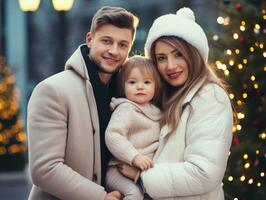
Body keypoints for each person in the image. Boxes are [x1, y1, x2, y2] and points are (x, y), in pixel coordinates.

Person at [118, 7, 235, 200]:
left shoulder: (209, 96)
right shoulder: (166, 96)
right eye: (161, 58)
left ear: (193, 54)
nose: (170, 66)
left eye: (178, 54)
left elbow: (203, 173)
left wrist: (142, 176)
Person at [27, 6, 139, 200]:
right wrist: (100, 197)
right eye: (106, 41)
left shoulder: (127, 93)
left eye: (122, 45)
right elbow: (45, 169)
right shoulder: (52, 90)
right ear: (89, 39)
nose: (114, 51)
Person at [104, 55, 162, 199]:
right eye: (132, 82)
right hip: (118, 169)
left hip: (141, 172)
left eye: (147, 82)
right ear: (123, 86)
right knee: (134, 194)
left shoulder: (158, 113)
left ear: (156, 86)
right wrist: (134, 157)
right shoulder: (126, 109)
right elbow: (113, 135)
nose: (140, 86)